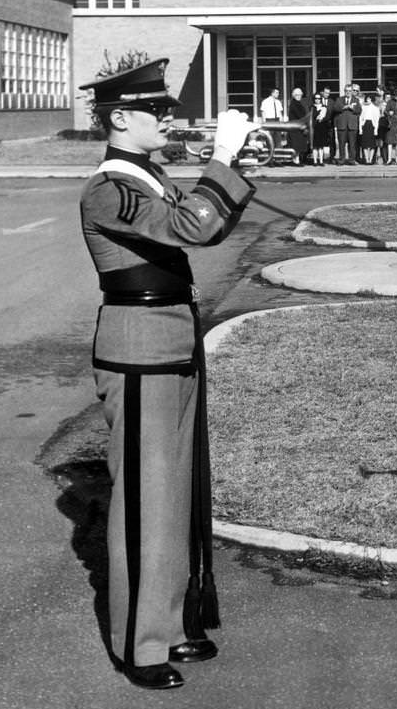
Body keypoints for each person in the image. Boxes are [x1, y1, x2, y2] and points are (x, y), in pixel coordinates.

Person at [78, 58, 255, 691]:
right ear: (120, 117)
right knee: (146, 498)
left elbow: (206, 222)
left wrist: (229, 167)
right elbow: (192, 228)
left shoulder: (146, 179)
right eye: (157, 110)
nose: (169, 118)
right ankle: (139, 642)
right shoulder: (110, 187)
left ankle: (173, 623)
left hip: (171, 342)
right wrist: (224, 161)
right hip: (139, 347)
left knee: (176, 492)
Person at [333, 85, 361, 164]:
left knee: (352, 144)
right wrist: (344, 107)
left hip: (352, 126)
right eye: (346, 91)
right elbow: (335, 108)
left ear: (352, 91)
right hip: (342, 125)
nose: (348, 92)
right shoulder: (339, 99)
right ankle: (342, 159)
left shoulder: (356, 100)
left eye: (349, 91)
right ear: (344, 91)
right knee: (341, 144)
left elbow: (359, 110)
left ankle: (351, 160)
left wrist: (352, 108)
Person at [287, 87, 309, 166]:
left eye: (300, 94)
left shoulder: (300, 103)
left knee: (299, 145)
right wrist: (306, 119)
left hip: (299, 126)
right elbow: (300, 115)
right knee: (296, 146)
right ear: (293, 95)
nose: (298, 96)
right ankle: (295, 161)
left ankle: (297, 160)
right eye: (296, 95)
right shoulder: (293, 104)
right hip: (295, 127)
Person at [360, 93, 381, 163]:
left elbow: (377, 119)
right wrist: (360, 128)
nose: (368, 100)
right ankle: (366, 159)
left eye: (369, 99)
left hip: (372, 125)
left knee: (372, 144)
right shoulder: (363, 107)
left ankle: (371, 159)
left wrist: (376, 130)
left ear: (372, 99)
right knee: (365, 144)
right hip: (365, 125)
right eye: (367, 99)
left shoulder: (375, 108)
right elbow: (361, 118)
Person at [310, 90, 329, 166]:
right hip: (314, 127)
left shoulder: (324, 107)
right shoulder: (312, 107)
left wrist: (322, 117)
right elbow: (311, 117)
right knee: (315, 146)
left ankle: (321, 161)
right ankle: (315, 161)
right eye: (316, 98)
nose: (317, 100)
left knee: (321, 146)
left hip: (322, 127)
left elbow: (326, 117)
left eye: (319, 98)